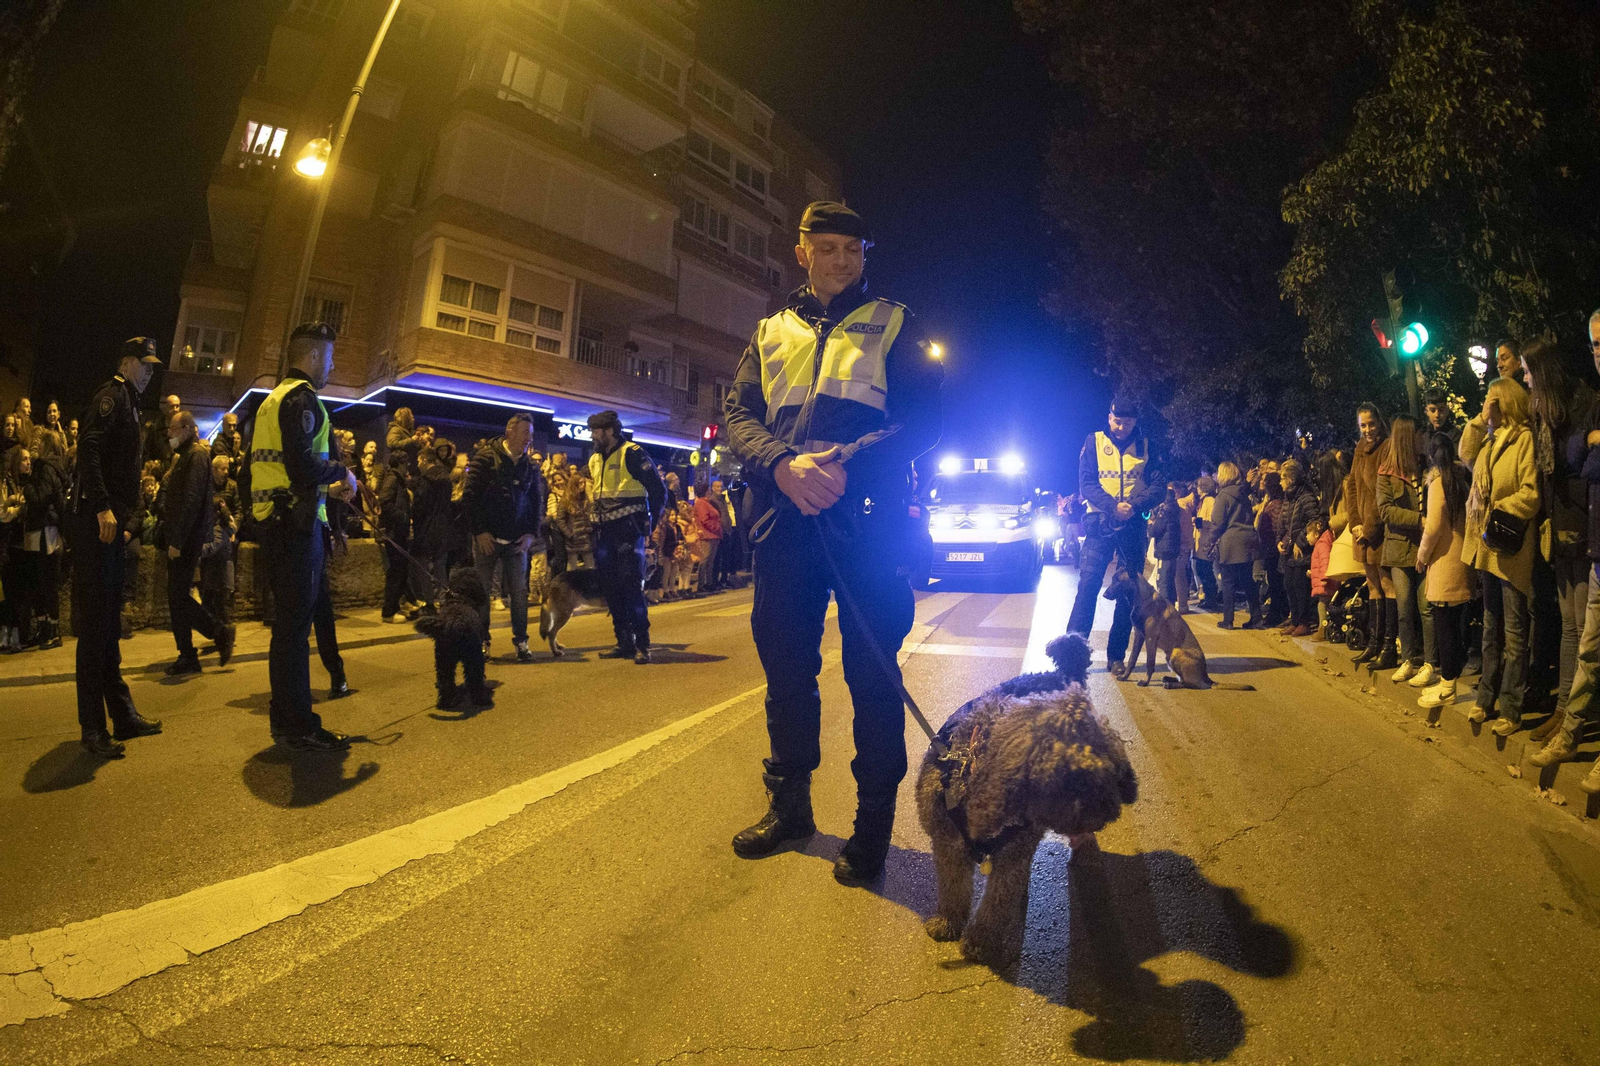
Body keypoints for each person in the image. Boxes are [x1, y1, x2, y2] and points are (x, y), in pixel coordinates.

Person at [723, 200, 942, 885]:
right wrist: (782, 467)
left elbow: (927, 418)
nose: (841, 260)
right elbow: (737, 413)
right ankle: (790, 811)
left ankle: (872, 829)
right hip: (785, 522)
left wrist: (844, 464)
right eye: (828, 248)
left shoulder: (895, 323)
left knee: (872, 678)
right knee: (788, 675)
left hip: (865, 522)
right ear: (802, 252)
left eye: (853, 249)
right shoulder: (769, 330)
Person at [250, 322, 359, 751]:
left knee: (286, 629)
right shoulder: (302, 400)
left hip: (275, 521)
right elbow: (301, 466)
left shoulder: (270, 400)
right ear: (313, 357)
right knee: (296, 630)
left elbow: (267, 467)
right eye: (329, 358)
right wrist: (342, 472)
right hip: (294, 528)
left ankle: (284, 718)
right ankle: (300, 725)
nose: (331, 366)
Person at [71, 338, 166, 757]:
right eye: (144, 364)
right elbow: (89, 449)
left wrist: (125, 519)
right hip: (96, 526)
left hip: (111, 528)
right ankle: (92, 729)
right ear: (126, 362)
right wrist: (104, 508)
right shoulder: (111, 396)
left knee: (108, 628)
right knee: (95, 630)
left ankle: (122, 716)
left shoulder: (128, 400)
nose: (150, 372)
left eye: (152, 366)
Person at [1531, 309, 1600, 790]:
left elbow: (1583, 466)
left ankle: (1572, 725)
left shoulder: (1585, 400)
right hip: (1584, 535)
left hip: (1583, 530)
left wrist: (1586, 446)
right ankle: (1567, 724)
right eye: (1594, 344)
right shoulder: (1555, 412)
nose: (1598, 352)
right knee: (1582, 637)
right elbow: (1579, 460)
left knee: (1582, 633)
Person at [1463, 376, 1539, 736]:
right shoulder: (1489, 441)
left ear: (1505, 402)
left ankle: (1511, 707)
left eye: (1493, 401)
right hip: (1487, 548)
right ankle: (1485, 699)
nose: (1488, 406)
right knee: (1490, 628)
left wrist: (1499, 511)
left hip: (1509, 549)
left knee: (1513, 632)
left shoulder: (1523, 439)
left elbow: (1531, 492)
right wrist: (1479, 419)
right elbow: (1465, 453)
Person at [1066, 397, 1162, 672]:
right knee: (1087, 587)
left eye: (1128, 423)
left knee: (1127, 593)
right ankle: (1073, 657)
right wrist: (1112, 506)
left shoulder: (1145, 445)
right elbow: (1086, 484)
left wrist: (1134, 505)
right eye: (1117, 421)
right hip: (1100, 524)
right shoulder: (1093, 442)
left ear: (1135, 422)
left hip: (1132, 526)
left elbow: (1157, 485)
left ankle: (1116, 657)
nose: (1121, 427)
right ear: (1109, 417)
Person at [464, 412, 548, 661]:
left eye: (531, 436)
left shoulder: (530, 466)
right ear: (509, 431)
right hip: (488, 540)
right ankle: (481, 641)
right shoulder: (485, 459)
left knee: (519, 595)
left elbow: (536, 503)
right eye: (525, 433)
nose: (528, 440)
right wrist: (479, 531)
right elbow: (470, 498)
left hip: (516, 542)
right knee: (482, 593)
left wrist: (531, 534)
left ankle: (521, 642)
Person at [586, 410, 665, 659]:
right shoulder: (595, 459)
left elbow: (658, 490)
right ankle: (623, 642)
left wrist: (648, 525)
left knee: (631, 587)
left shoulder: (632, 454)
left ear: (610, 431)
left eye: (595, 431)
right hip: (604, 531)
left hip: (628, 530)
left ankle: (642, 643)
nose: (592, 436)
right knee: (611, 588)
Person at [159, 410, 232, 673]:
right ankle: (189, 653)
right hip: (181, 537)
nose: (170, 434)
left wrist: (177, 540)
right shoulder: (186, 456)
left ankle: (218, 633)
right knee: (176, 597)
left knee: (178, 597)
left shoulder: (198, 456)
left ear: (189, 428)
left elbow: (191, 500)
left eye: (174, 429)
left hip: (186, 540)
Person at [1415, 432, 1475, 710]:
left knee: (1444, 625)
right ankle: (1448, 682)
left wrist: (1422, 555)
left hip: (1443, 561)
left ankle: (1448, 685)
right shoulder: (1461, 480)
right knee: (1454, 624)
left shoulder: (1438, 483)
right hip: (1460, 558)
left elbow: (1434, 526)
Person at [1377, 414, 1427, 682]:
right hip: (1399, 550)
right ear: (1408, 436)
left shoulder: (1425, 468)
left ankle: (1430, 661)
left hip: (1425, 548)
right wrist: (1419, 519)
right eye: (1417, 433)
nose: (1422, 438)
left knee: (1427, 607)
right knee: (1405, 608)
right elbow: (1386, 511)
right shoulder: (1386, 473)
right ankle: (1408, 658)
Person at [1346, 404, 1395, 667]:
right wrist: (1355, 522)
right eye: (1363, 425)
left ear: (1379, 422)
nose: (1367, 430)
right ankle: (1373, 644)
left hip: (1378, 530)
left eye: (1371, 424)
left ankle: (1388, 646)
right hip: (1361, 529)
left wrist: (1370, 527)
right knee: (1373, 585)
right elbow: (1352, 486)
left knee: (1387, 585)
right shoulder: (1358, 450)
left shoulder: (1386, 447)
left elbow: (1382, 491)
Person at [1203, 461, 1262, 629]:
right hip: (1248, 541)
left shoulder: (1222, 496)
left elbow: (1218, 523)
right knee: (1248, 581)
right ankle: (1256, 618)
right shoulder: (1243, 493)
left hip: (1230, 543)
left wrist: (1209, 543)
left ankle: (1228, 620)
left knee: (1228, 582)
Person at [413, 438, 456, 614]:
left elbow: (419, 507)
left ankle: (429, 603)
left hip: (426, 528)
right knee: (440, 566)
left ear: (424, 460)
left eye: (418, 461)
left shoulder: (425, 482)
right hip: (443, 528)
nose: (417, 464)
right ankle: (444, 600)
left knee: (422, 566)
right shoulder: (446, 480)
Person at [1280, 459, 1319, 636]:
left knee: (1301, 587)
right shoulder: (1288, 498)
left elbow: (1314, 521)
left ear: (1291, 479)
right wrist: (1281, 540)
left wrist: (1300, 541)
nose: (1280, 482)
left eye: (1283, 478)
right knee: (1290, 586)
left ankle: (1305, 621)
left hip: (1302, 551)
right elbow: (1285, 523)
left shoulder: (1306, 497)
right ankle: (1295, 620)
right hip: (1289, 551)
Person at [377, 452, 417, 624]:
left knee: (400, 571)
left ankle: (397, 606)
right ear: (400, 463)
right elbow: (384, 502)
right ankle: (389, 611)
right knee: (395, 572)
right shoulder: (392, 479)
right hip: (393, 532)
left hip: (398, 532)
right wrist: (403, 517)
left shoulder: (398, 479)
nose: (408, 465)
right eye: (406, 462)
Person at [1149, 483, 1187, 613]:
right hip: (1173, 549)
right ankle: (1171, 607)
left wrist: (1150, 525)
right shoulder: (1175, 507)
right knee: (1170, 581)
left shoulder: (1163, 510)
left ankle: (1164, 611)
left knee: (1163, 582)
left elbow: (1155, 531)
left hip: (1164, 550)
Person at [691, 478, 723, 593]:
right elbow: (704, 520)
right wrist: (716, 527)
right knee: (705, 560)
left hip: (713, 535)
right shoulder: (701, 503)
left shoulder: (706, 502)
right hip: (707, 535)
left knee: (710, 561)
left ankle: (709, 583)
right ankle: (702, 584)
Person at [141, 393, 181, 471]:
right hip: (159, 471)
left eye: (177, 406)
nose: (175, 409)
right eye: (172, 406)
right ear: (166, 407)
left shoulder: (182, 429)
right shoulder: (155, 428)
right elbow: (147, 452)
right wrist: (152, 465)